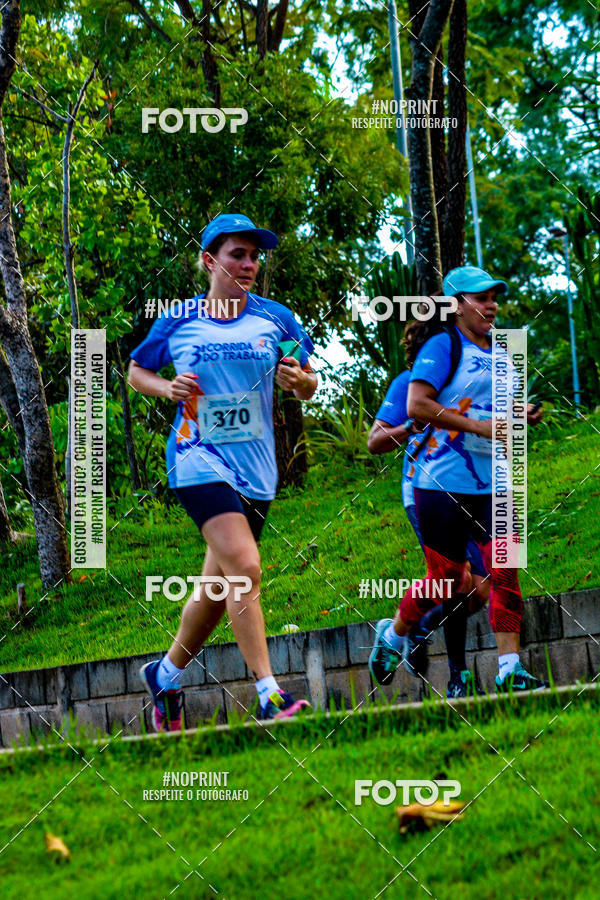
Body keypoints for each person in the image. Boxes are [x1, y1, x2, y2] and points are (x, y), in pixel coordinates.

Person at [128, 213, 318, 730]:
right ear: (210, 261)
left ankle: (165, 674)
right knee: (247, 568)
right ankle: (268, 694)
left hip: (256, 469)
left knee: (215, 590)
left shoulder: (277, 319)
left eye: (255, 256)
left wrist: (296, 380)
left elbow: (309, 382)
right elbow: (136, 370)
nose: (250, 264)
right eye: (238, 254)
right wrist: (166, 388)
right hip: (196, 457)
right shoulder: (179, 318)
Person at [368, 265, 547, 695]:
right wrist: (481, 428)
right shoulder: (443, 344)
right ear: (456, 304)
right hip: (440, 480)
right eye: (481, 298)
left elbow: (498, 413)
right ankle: (395, 634)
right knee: (450, 581)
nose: (491, 306)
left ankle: (509, 669)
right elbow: (418, 405)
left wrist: (519, 417)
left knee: (506, 570)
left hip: (494, 481)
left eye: (493, 298)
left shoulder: (504, 354)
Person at [367, 321, 490, 698]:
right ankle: (408, 642)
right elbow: (375, 441)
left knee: (483, 588)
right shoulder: (410, 381)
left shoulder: (480, 375)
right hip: (428, 491)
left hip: (480, 487)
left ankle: (410, 628)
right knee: (457, 579)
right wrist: (409, 426)